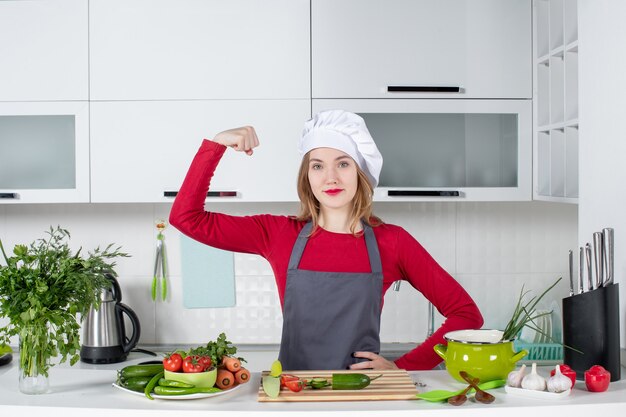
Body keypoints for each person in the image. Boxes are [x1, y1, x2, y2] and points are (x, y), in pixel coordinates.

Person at [170, 109, 483, 371]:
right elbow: (186, 217)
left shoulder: (393, 242)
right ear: (307, 176)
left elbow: (466, 315)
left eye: (343, 164)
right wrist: (217, 143)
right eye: (317, 166)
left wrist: (401, 368)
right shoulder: (278, 234)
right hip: (295, 395)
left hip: (362, 396)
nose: (330, 177)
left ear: (361, 173)